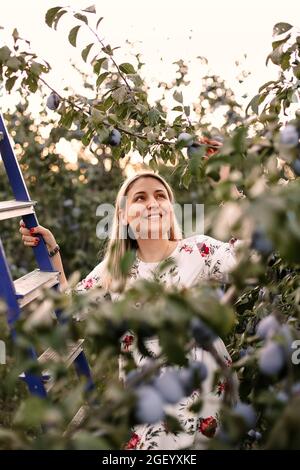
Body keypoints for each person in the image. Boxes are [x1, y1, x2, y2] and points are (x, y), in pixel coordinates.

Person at [19, 165, 244, 449]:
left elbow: (244, 261)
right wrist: (51, 250)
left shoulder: (197, 251)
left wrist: (231, 189)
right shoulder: (115, 271)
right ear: (123, 216)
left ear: (170, 208)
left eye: (160, 196)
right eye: (140, 197)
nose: (152, 203)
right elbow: (69, 308)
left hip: (207, 388)